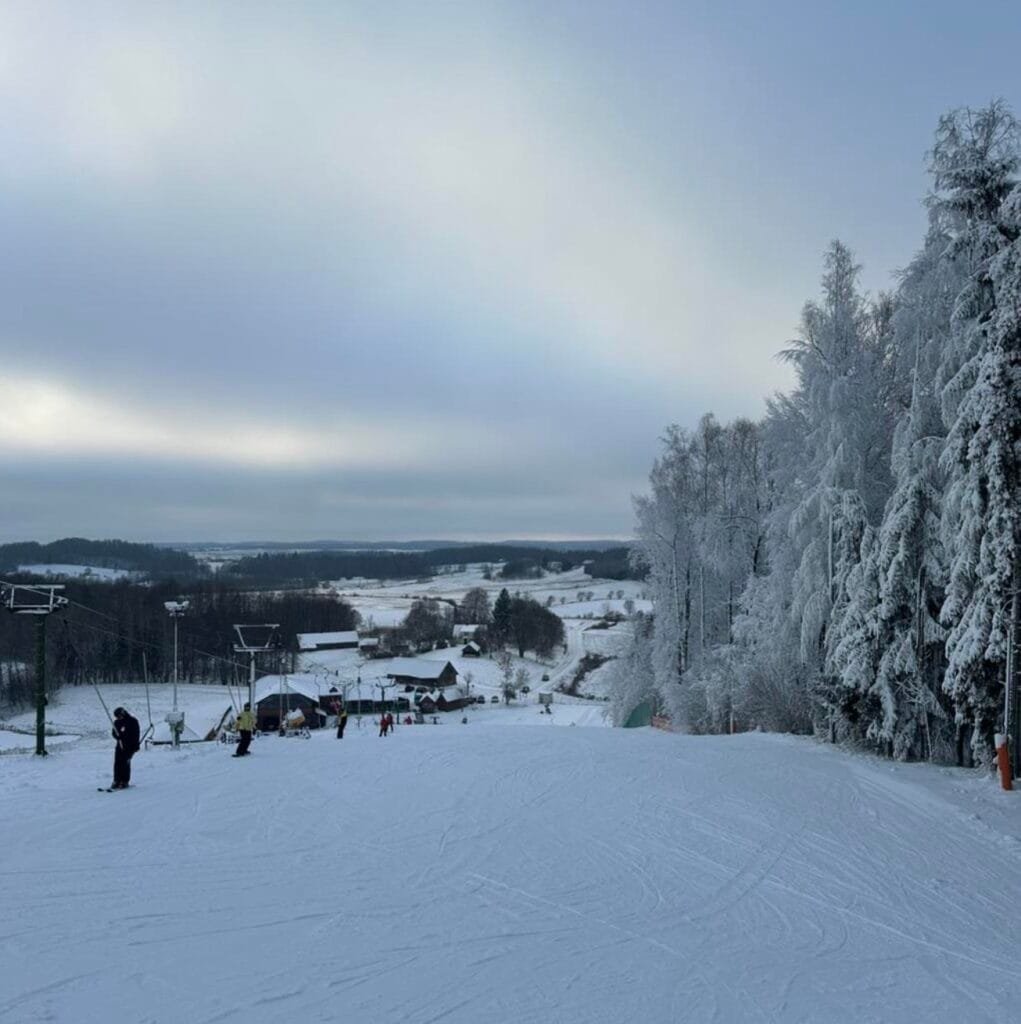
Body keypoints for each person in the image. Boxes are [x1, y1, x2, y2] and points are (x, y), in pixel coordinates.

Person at [111, 707, 140, 789]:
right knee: (117, 763)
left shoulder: (132, 721)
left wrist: (136, 746)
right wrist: (117, 736)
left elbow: (136, 734)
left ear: (123, 714)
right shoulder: (117, 722)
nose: (118, 718)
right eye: (117, 717)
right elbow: (114, 732)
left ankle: (124, 781)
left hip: (129, 746)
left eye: (119, 716)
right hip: (119, 746)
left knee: (125, 763)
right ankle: (116, 780)